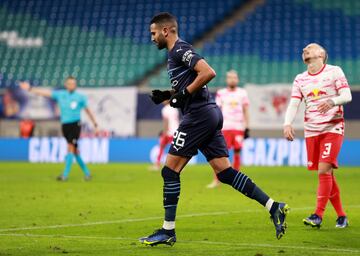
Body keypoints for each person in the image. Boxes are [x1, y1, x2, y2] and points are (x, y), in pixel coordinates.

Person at [139, 12, 289, 246]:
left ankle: (168, 231)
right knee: (225, 172)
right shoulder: (174, 54)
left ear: (166, 30)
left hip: (199, 116)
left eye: (153, 33)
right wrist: (168, 95)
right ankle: (273, 206)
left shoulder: (180, 49)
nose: (152, 37)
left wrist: (184, 95)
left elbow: (208, 72)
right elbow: (189, 86)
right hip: (208, 113)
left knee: (169, 171)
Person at [283, 43, 352, 228]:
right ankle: (341, 216)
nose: (305, 50)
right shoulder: (300, 79)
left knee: (323, 171)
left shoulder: (334, 71)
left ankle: (317, 215)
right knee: (326, 172)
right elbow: (294, 104)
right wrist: (287, 123)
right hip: (311, 131)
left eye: (310, 48)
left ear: (322, 54)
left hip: (332, 127)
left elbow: (347, 95)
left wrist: (332, 101)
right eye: (304, 49)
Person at [19, 76, 99, 181]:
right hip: (65, 125)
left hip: (75, 124)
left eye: (73, 83)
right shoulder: (60, 94)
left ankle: (65, 175)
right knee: (74, 151)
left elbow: (88, 111)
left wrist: (95, 124)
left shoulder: (80, 97)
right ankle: (87, 173)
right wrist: (30, 89)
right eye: (70, 83)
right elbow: (45, 93)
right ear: (66, 84)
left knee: (70, 147)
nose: (72, 85)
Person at [207, 70, 250, 188]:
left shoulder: (243, 93)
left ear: (238, 79)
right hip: (224, 127)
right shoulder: (221, 93)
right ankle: (216, 180)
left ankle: (237, 181)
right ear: (227, 80)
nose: (232, 79)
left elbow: (246, 111)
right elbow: (217, 111)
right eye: (230, 77)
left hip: (238, 127)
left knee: (237, 152)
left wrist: (247, 127)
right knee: (219, 155)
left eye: (234, 77)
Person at [151, 101, 180, 170]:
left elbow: (166, 122)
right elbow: (177, 120)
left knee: (162, 147)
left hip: (169, 132)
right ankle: (178, 166)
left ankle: (157, 165)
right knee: (176, 149)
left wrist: (164, 132)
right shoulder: (175, 109)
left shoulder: (165, 109)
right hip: (176, 131)